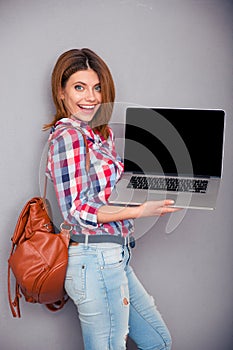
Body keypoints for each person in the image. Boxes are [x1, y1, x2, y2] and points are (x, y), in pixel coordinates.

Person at [44, 48, 179, 350]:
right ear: (61, 92)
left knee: (158, 342)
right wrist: (139, 210)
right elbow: (78, 209)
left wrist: (157, 183)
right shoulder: (69, 137)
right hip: (94, 260)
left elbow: (103, 192)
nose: (91, 97)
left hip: (114, 258)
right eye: (79, 87)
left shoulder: (97, 135)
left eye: (97, 87)